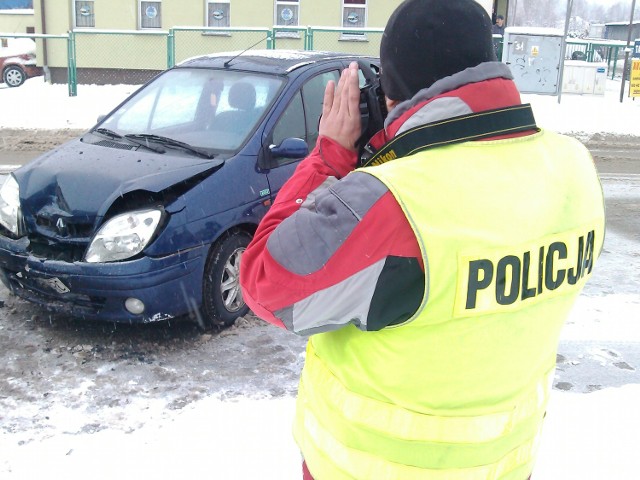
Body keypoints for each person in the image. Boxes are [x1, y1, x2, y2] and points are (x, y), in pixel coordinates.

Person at [239, 0, 606, 478]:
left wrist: (330, 158)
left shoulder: (392, 201)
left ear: (392, 96)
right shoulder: (574, 168)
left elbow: (263, 281)